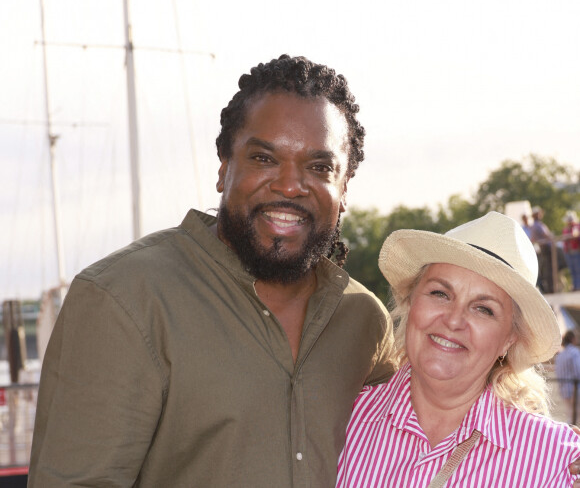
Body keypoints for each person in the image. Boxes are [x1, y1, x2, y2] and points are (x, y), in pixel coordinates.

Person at [28, 55, 397, 488]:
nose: (290, 185)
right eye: (264, 158)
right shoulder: (123, 298)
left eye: (319, 167)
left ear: (344, 188)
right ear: (224, 168)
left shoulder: (365, 321)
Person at [337, 211, 580, 487]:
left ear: (509, 339)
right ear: (410, 301)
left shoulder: (556, 463)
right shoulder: (339, 419)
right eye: (440, 293)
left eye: (483, 309)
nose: (453, 320)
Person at [556, 330, 580, 424]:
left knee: (570, 415)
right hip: (575, 390)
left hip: (563, 389)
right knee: (576, 417)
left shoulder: (560, 355)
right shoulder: (574, 352)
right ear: (573, 339)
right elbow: (578, 371)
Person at [531, 205, 556, 293]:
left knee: (547, 268)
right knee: (549, 269)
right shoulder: (537, 225)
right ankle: (551, 288)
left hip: (544, 249)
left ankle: (550, 288)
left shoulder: (535, 225)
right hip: (546, 248)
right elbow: (546, 235)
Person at [562, 211, 580, 291]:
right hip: (568, 252)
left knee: (577, 269)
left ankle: (578, 286)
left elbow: (575, 235)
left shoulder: (577, 226)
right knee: (572, 270)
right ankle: (575, 286)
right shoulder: (566, 229)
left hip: (576, 251)